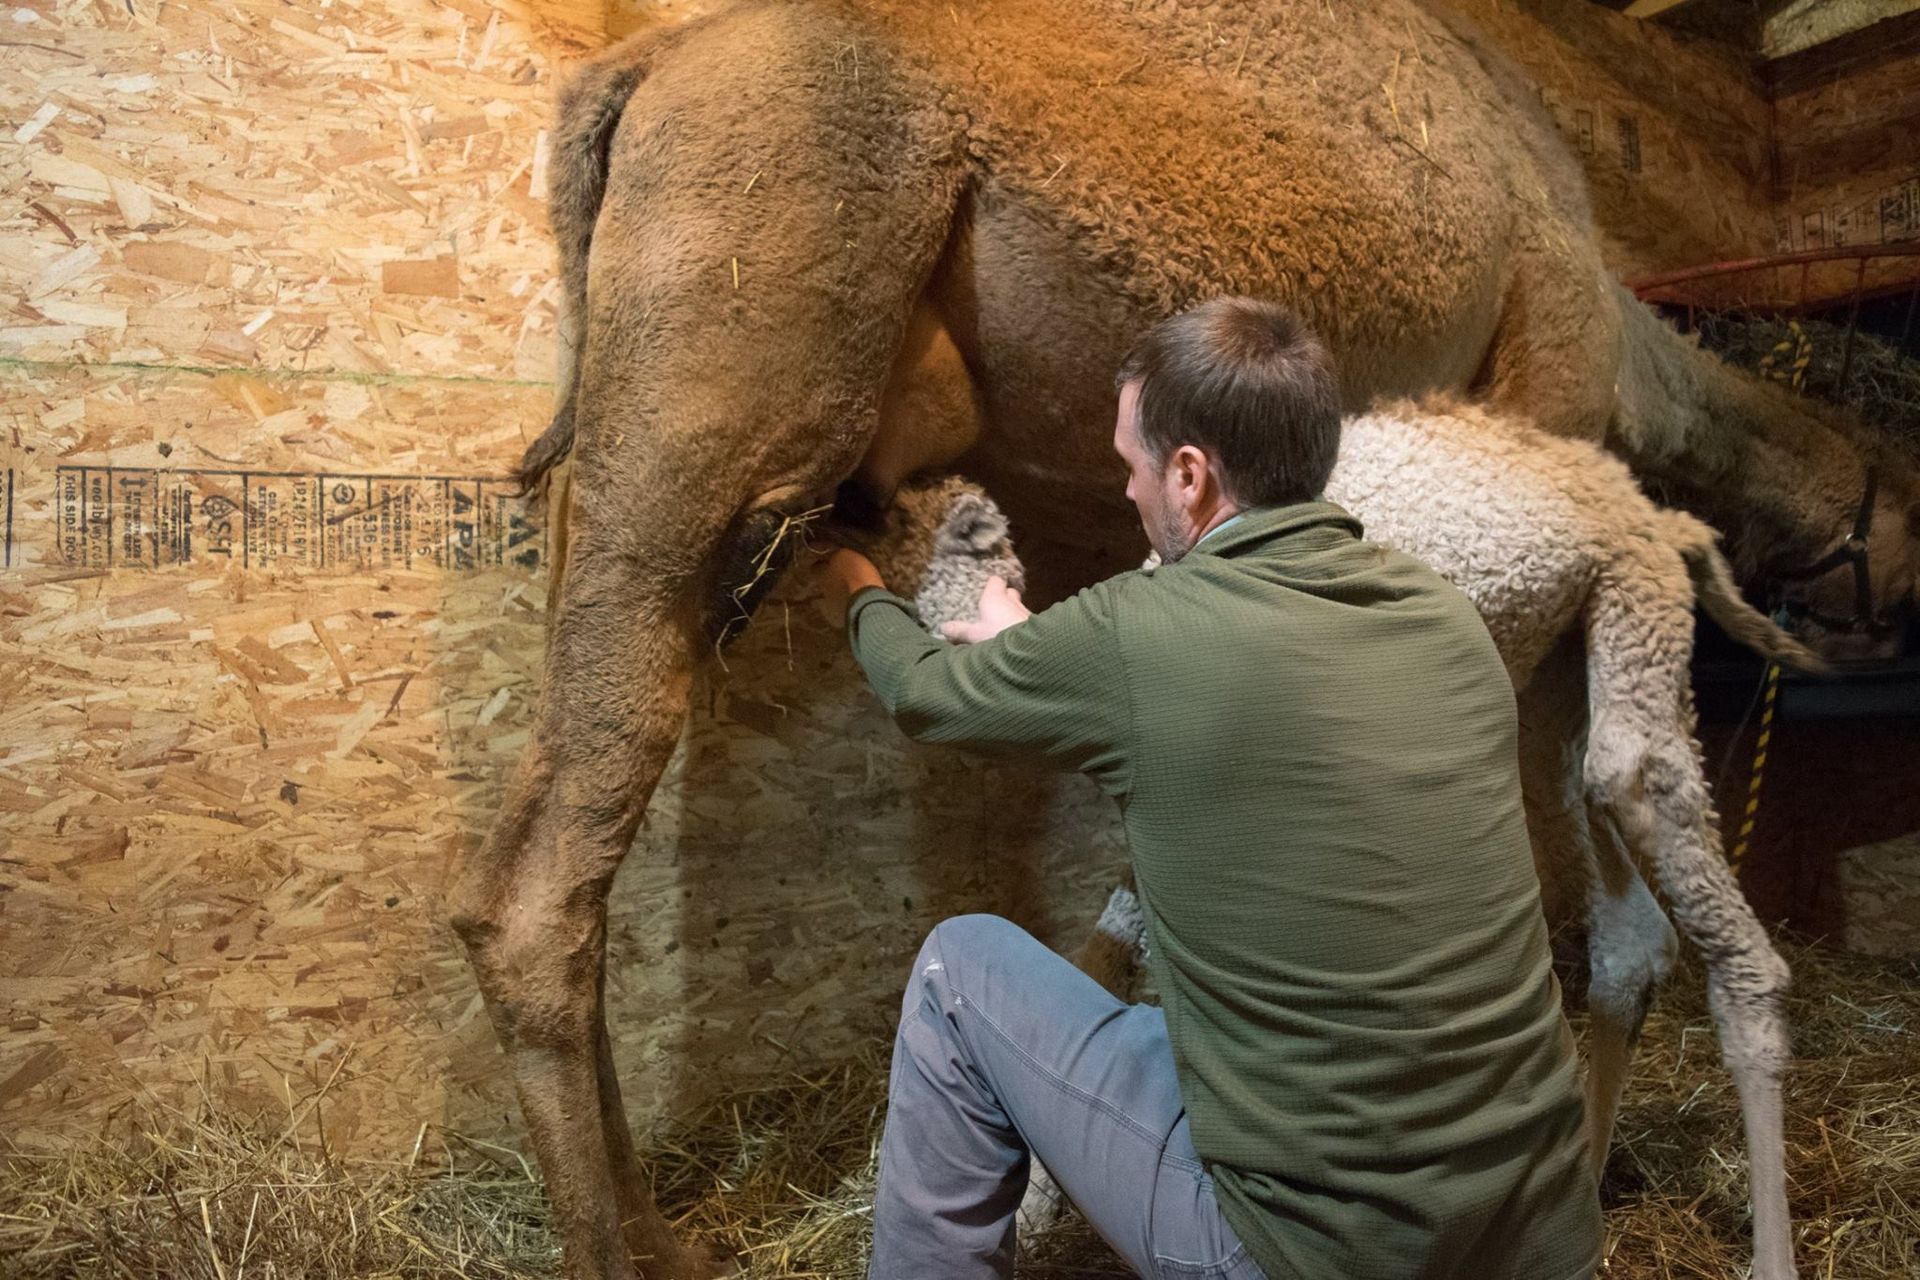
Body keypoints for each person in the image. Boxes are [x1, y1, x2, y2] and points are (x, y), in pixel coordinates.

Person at [815, 297, 1601, 1280]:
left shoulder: (1140, 633)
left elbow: (924, 691)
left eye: (1132, 467)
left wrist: (855, 578)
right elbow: (1241, 703)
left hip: (1319, 1254)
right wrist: (1042, 646)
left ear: (1190, 474)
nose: (1131, 492)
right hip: (1536, 1234)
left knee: (960, 971)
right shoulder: (1446, 620)